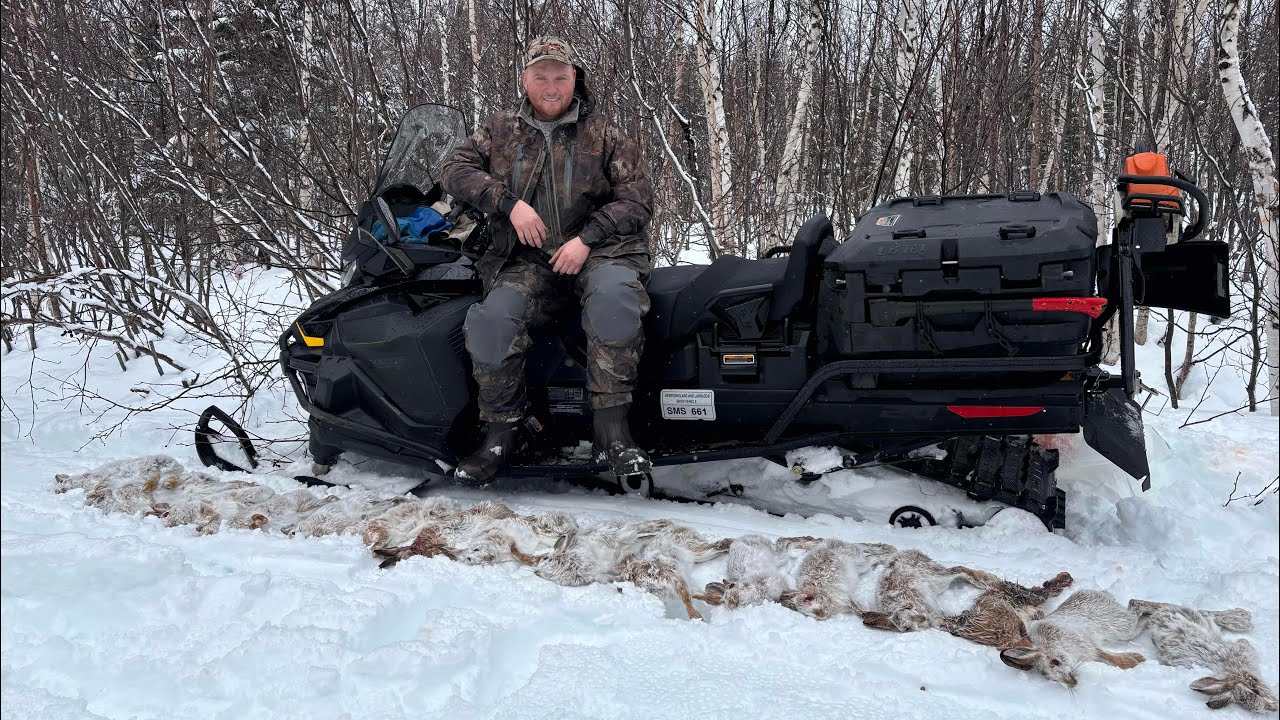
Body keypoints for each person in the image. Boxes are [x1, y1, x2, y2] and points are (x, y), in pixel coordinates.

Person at [441, 36, 654, 486]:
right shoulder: (499, 131)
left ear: (575, 79)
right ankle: (502, 434)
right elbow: (454, 170)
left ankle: (612, 431)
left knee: (614, 299)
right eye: (541, 77)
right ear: (525, 79)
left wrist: (587, 238)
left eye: (560, 76)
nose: (551, 86)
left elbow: (637, 200)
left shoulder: (605, 134)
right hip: (528, 259)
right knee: (492, 320)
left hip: (601, 251)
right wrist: (508, 203)